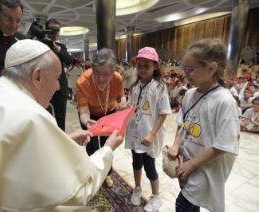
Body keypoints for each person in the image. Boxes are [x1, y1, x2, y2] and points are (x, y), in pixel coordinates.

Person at [0, 39, 124, 212]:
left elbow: (14, 149)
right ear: (37, 76)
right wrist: (107, 149)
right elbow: (76, 190)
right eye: (56, 79)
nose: (58, 88)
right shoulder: (29, 114)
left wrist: (64, 140)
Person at [167, 39, 240, 212]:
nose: (184, 74)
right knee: (192, 204)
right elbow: (182, 124)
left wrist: (193, 164)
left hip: (206, 168)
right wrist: (177, 144)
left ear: (211, 68)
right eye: (183, 68)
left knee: (183, 205)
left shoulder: (225, 101)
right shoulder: (191, 94)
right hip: (188, 162)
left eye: (189, 69)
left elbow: (224, 146)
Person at [122, 47, 171, 212]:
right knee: (136, 162)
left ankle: (156, 196)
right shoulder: (134, 86)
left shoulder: (160, 87)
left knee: (149, 166)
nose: (142, 69)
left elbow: (163, 114)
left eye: (146, 65)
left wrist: (151, 134)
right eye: (139, 65)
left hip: (149, 134)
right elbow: (131, 107)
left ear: (156, 66)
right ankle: (137, 187)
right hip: (136, 132)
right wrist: (122, 108)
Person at [77, 48, 127, 188]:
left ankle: (107, 173)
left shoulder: (117, 79)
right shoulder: (83, 82)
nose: (100, 78)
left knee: (107, 145)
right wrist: (87, 121)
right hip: (90, 116)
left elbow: (120, 96)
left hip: (109, 112)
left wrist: (123, 102)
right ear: (92, 68)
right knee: (91, 145)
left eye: (106, 74)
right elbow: (84, 111)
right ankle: (92, 171)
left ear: (113, 71)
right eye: (97, 73)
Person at [44, 18, 73, 131]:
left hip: (61, 88)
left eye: (58, 30)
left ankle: (61, 137)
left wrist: (57, 48)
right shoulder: (39, 44)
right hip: (45, 87)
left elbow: (69, 60)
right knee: (47, 115)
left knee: (61, 116)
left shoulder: (62, 47)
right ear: (46, 29)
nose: (56, 32)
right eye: (53, 29)